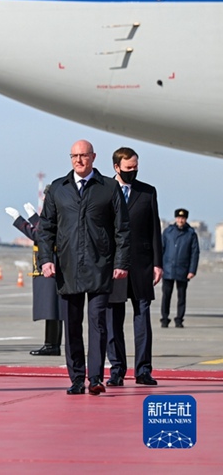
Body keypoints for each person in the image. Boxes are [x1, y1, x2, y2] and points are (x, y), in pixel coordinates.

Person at [37, 139, 130, 396]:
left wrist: (121, 263)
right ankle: (77, 378)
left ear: (93, 157)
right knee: (73, 325)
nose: (79, 160)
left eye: (84, 156)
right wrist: (45, 260)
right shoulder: (58, 188)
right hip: (67, 268)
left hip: (100, 266)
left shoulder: (109, 188)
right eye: (74, 156)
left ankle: (96, 377)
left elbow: (122, 229)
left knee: (98, 323)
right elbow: (45, 229)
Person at [105, 147, 162, 387]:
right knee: (113, 320)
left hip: (142, 265)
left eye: (136, 167)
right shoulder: (104, 190)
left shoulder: (147, 192)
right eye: (129, 168)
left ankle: (143, 371)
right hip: (113, 266)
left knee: (142, 318)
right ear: (117, 167)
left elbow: (154, 231)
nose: (133, 171)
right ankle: (117, 369)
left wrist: (158, 263)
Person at [6, 200, 62, 356]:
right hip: (52, 266)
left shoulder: (60, 215)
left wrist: (23, 220)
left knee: (53, 309)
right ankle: (52, 344)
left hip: (53, 266)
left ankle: (52, 345)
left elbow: (41, 235)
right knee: (53, 310)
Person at [160, 208, 199, 328]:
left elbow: (195, 253)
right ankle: (165, 318)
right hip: (168, 268)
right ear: (175, 218)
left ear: (186, 219)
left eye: (183, 218)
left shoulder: (191, 233)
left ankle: (179, 319)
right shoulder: (168, 232)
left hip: (183, 269)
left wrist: (192, 270)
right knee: (166, 295)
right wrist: (159, 266)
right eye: (178, 218)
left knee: (181, 296)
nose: (180, 220)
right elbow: (161, 249)